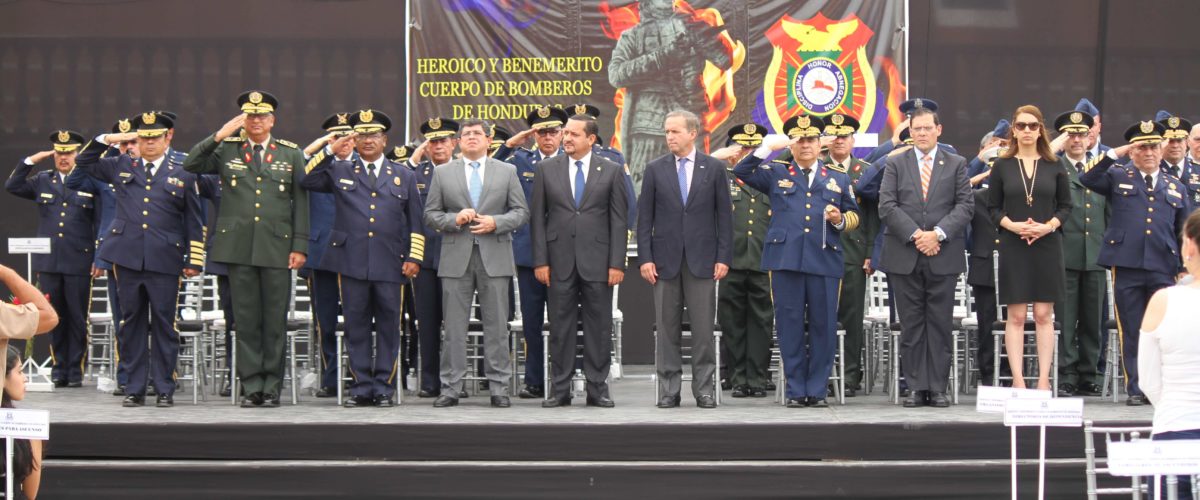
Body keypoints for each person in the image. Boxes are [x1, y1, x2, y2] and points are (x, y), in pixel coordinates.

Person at [183, 90, 310, 408]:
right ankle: (251, 385)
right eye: (250, 116)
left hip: (277, 247)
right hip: (238, 247)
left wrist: (300, 246)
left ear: (272, 121)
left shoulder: (289, 153)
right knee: (245, 320)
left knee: (274, 321)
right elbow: (191, 163)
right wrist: (219, 134)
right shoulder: (227, 150)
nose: (255, 121)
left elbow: (302, 203)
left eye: (261, 116)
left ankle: (271, 387)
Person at [728, 114, 859, 408]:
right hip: (786, 260)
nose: (805, 145)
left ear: (819, 143)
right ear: (792, 144)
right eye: (799, 140)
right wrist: (766, 147)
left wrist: (839, 220)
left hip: (824, 258)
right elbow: (742, 171)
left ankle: (818, 390)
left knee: (823, 327)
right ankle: (797, 389)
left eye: (811, 139)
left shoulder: (837, 176)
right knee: (789, 326)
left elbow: (854, 216)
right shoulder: (776, 172)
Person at [76, 112, 206, 407]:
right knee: (130, 323)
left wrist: (194, 259)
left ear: (166, 138)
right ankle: (134, 387)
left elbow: (194, 220)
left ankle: (163, 387)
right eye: (143, 137)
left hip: (166, 257)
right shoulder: (123, 163)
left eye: (154, 137)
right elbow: (84, 164)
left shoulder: (183, 169)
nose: (148, 143)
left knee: (164, 324)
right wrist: (106, 140)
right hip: (127, 256)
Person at [303, 109, 424, 408]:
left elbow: (416, 222)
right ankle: (360, 386)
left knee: (388, 327)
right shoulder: (340, 170)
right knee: (355, 326)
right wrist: (331, 149)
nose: (367, 141)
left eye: (374, 135)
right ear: (353, 140)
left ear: (384, 140)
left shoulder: (403, 175)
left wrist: (414, 257)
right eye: (361, 135)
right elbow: (305, 178)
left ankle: (383, 386)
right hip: (350, 261)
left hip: (391, 261)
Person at [1080, 119, 1188, 406]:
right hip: (1126, 264)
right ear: (1134, 151)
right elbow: (1087, 178)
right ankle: (1137, 388)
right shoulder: (1118, 176)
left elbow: (1184, 230)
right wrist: (1119, 151)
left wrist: (1185, 266)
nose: (1149, 152)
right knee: (1133, 327)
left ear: (1161, 149)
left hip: (1163, 265)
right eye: (1142, 147)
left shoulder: (1175, 185)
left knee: (1163, 330)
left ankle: (1161, 387)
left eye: (1154, 146)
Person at [423, 118, 528, 408]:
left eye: (477, 134)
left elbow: (521, 212)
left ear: (488, 140)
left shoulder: (507, 171)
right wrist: (452, 220)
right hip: (456, 256)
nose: (471, 137)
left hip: (495, 255)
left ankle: (498, 387)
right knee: (454, 326)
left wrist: (498, 222)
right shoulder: (443, 173)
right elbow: (430, 214)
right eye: (466, 134)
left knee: (496, 325)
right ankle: (451, 387)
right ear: (458, 141)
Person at [878, 102, 972, 408]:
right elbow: (887, 205)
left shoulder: (956, 163)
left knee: (940, 323)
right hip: (905, 253)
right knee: (912, 323)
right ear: (909, 131)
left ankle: (938, 387)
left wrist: (937, 234)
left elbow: (964, 206)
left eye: (927, 128)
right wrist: (918, 236)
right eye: (916, 129)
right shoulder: (896, 162)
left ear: (938, 130)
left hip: (943, 254)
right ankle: (917, 386)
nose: (921, 133)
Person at [530, 114, 628, 408]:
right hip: (558, 261)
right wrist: (540, 261)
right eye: (565, 133)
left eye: (574, 134)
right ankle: (560, 389)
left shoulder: (610, 170)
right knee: (561, 326)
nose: (567, 138)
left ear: (591, 139)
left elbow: (619, 221)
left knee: (598, 328)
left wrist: (616, 264)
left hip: (599, 262)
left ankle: (597, 389)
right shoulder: (547, 169)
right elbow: (537, 219)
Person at [638, 110, 731, 409]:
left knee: (703, 330)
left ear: (693, 133)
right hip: (664, 262)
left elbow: (725, 217)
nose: (669, 137)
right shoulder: (655, 168)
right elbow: (644, 219)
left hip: (703, 260)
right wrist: (645, 258)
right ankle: (669, 389)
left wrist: (723, 256)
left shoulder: (714, 168)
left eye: (675, 131)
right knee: (667, 329)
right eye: (667, 132)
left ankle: (704, 389)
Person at [986, 105, 1072, 391]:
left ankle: (1044, 381)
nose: (1026, 131)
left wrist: (1048, 226)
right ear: (1013, 129)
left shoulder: (1054, 164)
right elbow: (992, 207)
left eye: (1032, 126)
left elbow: (1066, 206)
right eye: (1021, 125)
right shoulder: (1002, 165)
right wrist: (1013, 225)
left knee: (1045, 315)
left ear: (1040, 130)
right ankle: (1019, 381)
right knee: (1017, 316)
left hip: (1047, 243)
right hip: (1014, 243)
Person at [608, 0, 732, 191]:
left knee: (697, 191)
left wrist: (702, 33)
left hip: (691, 123)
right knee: (646, 194)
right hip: (649, 128)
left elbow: (725, 60)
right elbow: (616, 75)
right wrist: (663, 55)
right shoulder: (633, 36)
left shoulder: (692, 26)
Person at [5, 130, 97, 388]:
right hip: (49, 262)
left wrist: (98, 256)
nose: (63, 158)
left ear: (77, 153)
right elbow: (12, 186)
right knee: (53, 316)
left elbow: (100, 221)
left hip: (79, 259)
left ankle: (75, 369)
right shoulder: (43, 180)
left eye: (68, 153)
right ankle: (59, 368)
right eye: (59, 153)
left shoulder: (89, 181)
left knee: (77, 316)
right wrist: (30, 161)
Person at [492, 105, 568, 399]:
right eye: (542, 132)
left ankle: (564, 378)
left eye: (553, 131)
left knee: (563, 320)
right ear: (533, 134)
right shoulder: (520, 159)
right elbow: (488, 171)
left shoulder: (572, 160)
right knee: (532, 322)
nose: (547, 137)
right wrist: (510, 144)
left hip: (565, 252)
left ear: (562, 133)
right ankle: (535, 379)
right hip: (528, 253)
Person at [1139, 210, 1200, 500]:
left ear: (1188, 245)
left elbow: (1149, 380)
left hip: (1176, 429)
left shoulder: (1163, 300)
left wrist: (1174, 404)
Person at [711, 123, 772, 398]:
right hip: (730, 262)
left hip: (763, 262)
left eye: (753, 147)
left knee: (761, 323)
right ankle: (737, 378)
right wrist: (717, 157)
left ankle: (758, 378)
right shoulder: (719, 177)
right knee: (732, 324)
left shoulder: (771, 176)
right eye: (742, 147)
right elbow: (692, 173)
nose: (747, 152)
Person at [1052, 110, 1107, 397]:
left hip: (1096, 255)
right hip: (1065, 255)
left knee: (1092, 321)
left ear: (1090, 137)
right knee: (1066, 318)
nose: (1076, 140)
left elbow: (1108, 215)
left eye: (1081, 134)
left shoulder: (1101, 169)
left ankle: (1090, 373)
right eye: (1071, 134)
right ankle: (1067, 373)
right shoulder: (1055, 168)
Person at [823, 113, 877, 397]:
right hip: (821, 252)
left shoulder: (865, 171)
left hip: (854, 252)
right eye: (834, 135)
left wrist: (871, 253)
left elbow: (872, 217)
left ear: (853, 140)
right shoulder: (817, 169)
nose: (839, 140)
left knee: (852, 318)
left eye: (844, 136)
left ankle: (849, 375)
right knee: (822, 317)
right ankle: (824, 374)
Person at [299, 112, 352, 399]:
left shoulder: (364, 165)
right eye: (336, 136)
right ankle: (331, 377)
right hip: (321, 253)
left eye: (347, 136)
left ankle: (357, 375)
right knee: (326, 322)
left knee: (358, 320)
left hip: (356, 253)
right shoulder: (318, 166)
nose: (343, 141)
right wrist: (323, 148)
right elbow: (298, 173)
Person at [406, 118, 457, 398]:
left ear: (453, 143)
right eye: (433, 141)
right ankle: (430, 380)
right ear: (426, 146)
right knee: (426, 323)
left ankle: (453, 381)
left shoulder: (465, 171)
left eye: (443, 140)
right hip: (424, 258)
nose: (438, 146)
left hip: (456, 256)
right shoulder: (415, 174)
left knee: (455, 324)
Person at [1, 345, 43, 500]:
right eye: (19, 371)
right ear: (2, 376)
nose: (25, 378)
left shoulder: (27, 427)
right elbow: (30, 495)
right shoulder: (27, 428)